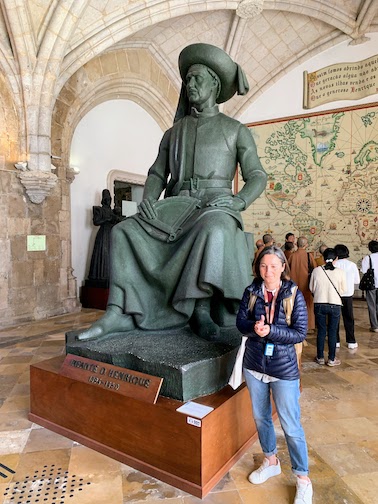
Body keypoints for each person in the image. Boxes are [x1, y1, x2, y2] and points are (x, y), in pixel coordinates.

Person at [77, 43, 267, 342]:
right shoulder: (173, 133)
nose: (189, 84)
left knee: (213, 228)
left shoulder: (235, 130)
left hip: (216, 206)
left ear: (215, 84)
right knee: (124, 231)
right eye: (187, 79)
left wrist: (239, 200)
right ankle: (118, 312)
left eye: (196, 78)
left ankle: (200, 310)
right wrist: (149, 199)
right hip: (175, 207)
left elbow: (257, 176)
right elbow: (156, 173)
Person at [236, 246, 312, 504]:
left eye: (272, 266)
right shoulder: (251, 291)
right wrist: (254, 328)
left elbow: (300, 332)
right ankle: (270, 460)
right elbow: (240, 323)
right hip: (255, 364)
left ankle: (303, 478)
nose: (267, 271)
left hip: (283, 367)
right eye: (262, 266)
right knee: (260, 418)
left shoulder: (293, 293)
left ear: (282, 266)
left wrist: (270, 332)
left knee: (291, 426)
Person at [309, 248, 346, 366]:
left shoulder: (316, 271)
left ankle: (320, 357)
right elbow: (343, 290)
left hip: (319, 303)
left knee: (321, 330)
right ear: (336, 259)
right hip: (335, 304)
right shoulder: (340, 272)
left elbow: (311, 288)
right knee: (332, 331)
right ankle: (331, 358)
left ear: (323, 258)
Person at [88, 189, 124, 286]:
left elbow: (119, 220)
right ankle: (101, 276)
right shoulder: (98, 209)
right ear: (103, 200)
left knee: (112, 253)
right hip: (104, 233)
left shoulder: (113, 211)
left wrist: (117, 217)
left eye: (109, 199)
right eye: (107, 199)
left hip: (112, 233)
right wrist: (108, 219)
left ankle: (110, 275)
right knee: (102, 253)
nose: (108, 201)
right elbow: (96, 222)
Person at [288, 236, 317, 332]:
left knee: (294, 305)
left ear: (296, 244)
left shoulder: (292, 255)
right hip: (306, 285)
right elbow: (315, 268)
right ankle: (309, 326)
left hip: (294, 285)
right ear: (306, 245)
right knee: (308, 305)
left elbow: (287, 269)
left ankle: (294, 324)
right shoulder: (309, 256)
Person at [334, 244, 360, 349]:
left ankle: (336, 341)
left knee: (335, 318)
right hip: (348, 295)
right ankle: (351, 341)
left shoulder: (334, 265)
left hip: (336, 295)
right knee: (349, 318)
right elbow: (357, 281)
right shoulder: (352, 265)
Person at [361, 240, 378, 332]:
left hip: (372, 284)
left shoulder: (368, 258)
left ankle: (375, 326)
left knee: (372, 305)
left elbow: (364, 271)